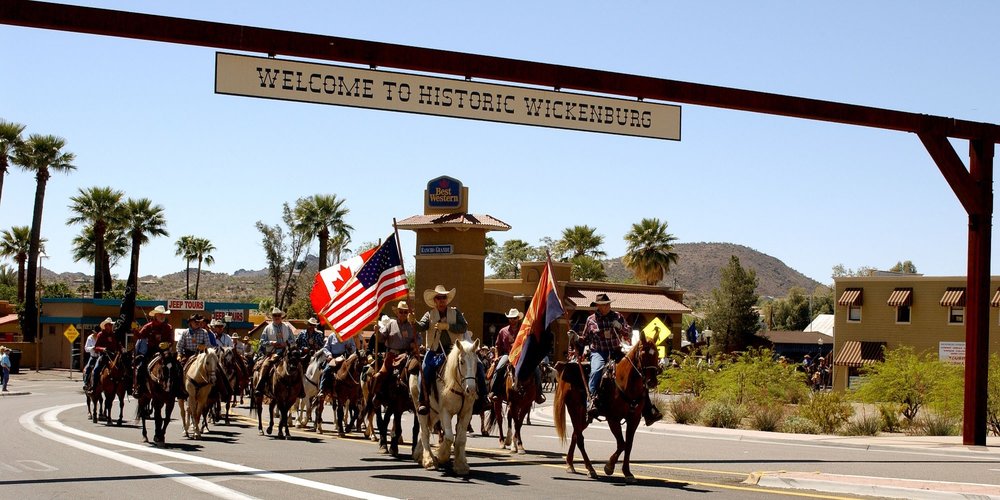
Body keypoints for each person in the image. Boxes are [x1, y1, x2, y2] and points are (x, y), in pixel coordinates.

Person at [582, 293, 662, 426]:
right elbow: (585, 339)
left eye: (608, 304)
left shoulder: (617, 316)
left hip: (616, 350)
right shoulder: (591, 320)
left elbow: (629, 333)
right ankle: (591, 403)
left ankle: (648, 409)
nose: (607, 307)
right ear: (598, 306)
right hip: (599, 352)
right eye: (604, 305)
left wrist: (620, 327)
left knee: (637, 371)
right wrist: (575, 338)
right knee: (596, 371)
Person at [415, 285, 478, 415]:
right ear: (435, 300)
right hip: (434, 350)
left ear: (446, 299)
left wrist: (448, 326)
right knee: (425, 371)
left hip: (453, 349)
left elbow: (463, 327)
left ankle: (480, 397)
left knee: (476, 366)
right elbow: (421, 327)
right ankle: (423, 401)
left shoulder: (455, 313)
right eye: (439, 298)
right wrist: (413, 322)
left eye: (443, 297)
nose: (441, 300)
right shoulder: (429, 314)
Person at [371, 301, 419, 400]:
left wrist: (415, 344)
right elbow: (381, 339)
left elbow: (419, 338)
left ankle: (416, 396)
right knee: (381, 375)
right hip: (391, 355)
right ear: (397, 313)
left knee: (416, 371)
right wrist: (377, 332)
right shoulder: (390, 324)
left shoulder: (412, 325)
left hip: (407, 355)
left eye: (405, 312)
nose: (403, 314)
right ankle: (377, 396)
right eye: (401, 312)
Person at [132, 305, 174, 397]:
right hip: (151, 351)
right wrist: (135, 329)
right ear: (155, 316)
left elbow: (171, 340)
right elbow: (139, 336)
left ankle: (178, 388)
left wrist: (167, 344)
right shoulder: (148, 326)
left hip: (164, 352)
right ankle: (140, 387)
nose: (162, 316)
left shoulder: (168, 327)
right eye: (160, 314)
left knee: (175, 366)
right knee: (141, 367)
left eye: (163, 314)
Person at [254, 307, 296, 396]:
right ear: (272, 317)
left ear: (281, 317)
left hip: (286, 352)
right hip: (272, 353)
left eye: (278, 315)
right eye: (275, 315)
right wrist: (271, 343)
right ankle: (260, 386)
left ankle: (300, 389)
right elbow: (262, 342)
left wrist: (286, 343)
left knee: (298, 365)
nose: (277, 317)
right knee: (265, 365)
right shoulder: (267, 328)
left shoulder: (287, 327)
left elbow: (293, 340)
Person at [488, 308, 520, 399]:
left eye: (514, 318)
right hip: (508, 355)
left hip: (520, 355)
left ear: (518, 318)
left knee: (535, 369)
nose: (512, 320)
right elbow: (497, 346)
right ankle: (494, 391)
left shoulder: (523, 330)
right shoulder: (503, 331)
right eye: (510, 318)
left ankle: (539, 392)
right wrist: (496, 357)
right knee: (499, 368)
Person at [88, 318, 122, 391]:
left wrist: (121, 349)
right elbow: (96, 347)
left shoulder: (114, 335)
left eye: (111, 325)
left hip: (114, 356)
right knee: (96, 370)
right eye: (109, 325)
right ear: (105, 326)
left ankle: (126, 387)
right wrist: (102, 349)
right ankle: (94, 387)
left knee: (123, 368)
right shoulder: (100, 334)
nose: (110, 326)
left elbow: (118, 345)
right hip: (104, 356)